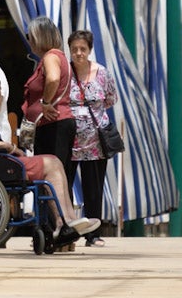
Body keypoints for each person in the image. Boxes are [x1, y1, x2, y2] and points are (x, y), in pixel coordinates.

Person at [0, 72, 99, 249]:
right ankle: (64, 221)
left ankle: (67, 220)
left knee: (54, 162)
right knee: (52, 164)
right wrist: (10, 147)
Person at [65, 29, 118, 247]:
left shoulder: (102, 73)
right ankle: (65, 230)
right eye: (74, 49)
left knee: (93, 188)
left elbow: (110, 99)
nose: (78, 53)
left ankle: (93, 234)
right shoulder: (64, 72)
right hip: (69, 140)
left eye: (82, 49)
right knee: (64, 185)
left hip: (95, 141)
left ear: (90, 50)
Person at [22, 16, 75, 167]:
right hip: (54, 123)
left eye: (30, 36)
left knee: (52, 175)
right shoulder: (57, 56)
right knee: (59, 176)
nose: (29, 40)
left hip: (53, 124)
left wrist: (45, 103)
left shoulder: (51, 57)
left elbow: (53, 79)